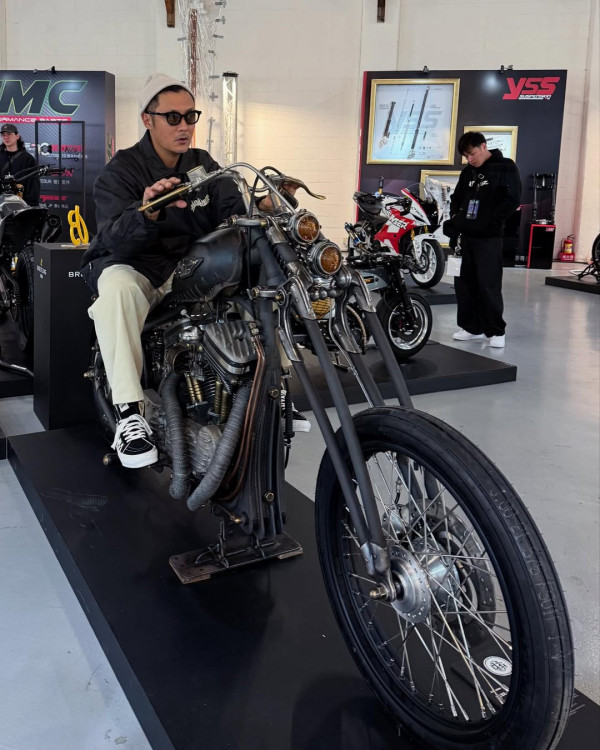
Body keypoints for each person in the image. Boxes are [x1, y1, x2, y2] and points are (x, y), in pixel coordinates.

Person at [82, 73, 308, 470]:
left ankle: (276, 386)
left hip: (188, 265)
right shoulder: (121, 171)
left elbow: (233, 211)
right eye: (172, 117)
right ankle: (128, 412)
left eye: (190, 116)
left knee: (260, 282)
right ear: (147, 119)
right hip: (137, 265)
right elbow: (114, 238)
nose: (184, 125)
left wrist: (264, 206)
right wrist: (148, 211)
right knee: (118, 290)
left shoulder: (203, 164)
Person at [443, 131, 521, 348]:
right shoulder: (467, 172)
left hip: (488, 238)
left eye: (473, 154)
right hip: (465, 237)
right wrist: (455, 218)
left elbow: (512, 199)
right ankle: (471, 328)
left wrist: (492, 221)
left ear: (484, 146)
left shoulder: (505, 167)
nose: (470, 159)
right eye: (466, 156)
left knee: (488, 284)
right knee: (464, 284)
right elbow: (457, 198)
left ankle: (495, 331)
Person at [0, 123, 41, 206]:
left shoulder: (28, 159)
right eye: (3, 135)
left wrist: (29, 206)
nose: (6, 137)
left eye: (9, 134)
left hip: (21, 205)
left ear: (17, 136)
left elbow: (33, 185)